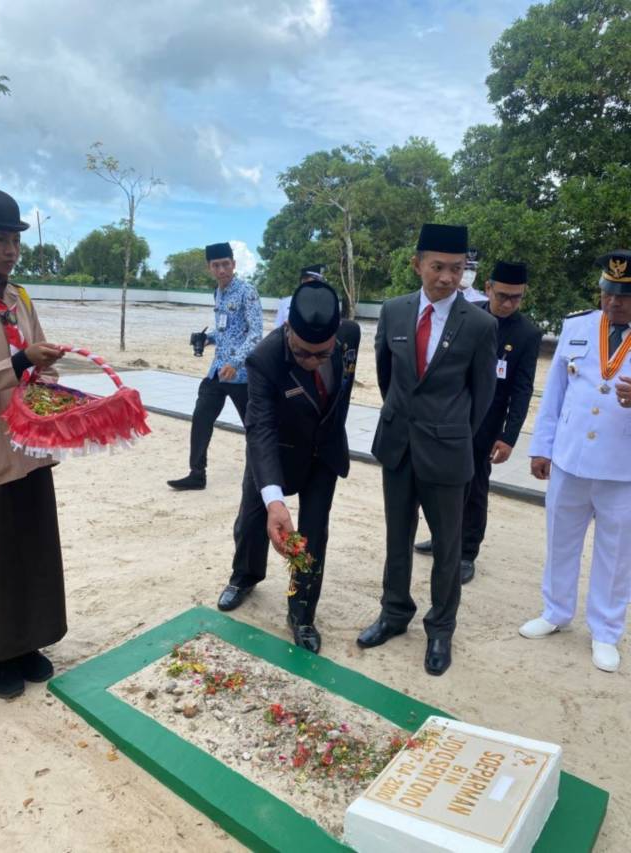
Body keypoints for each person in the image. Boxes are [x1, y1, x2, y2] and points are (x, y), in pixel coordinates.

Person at [357, 223, 497, 676]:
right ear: (417, 264)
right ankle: (394, 613)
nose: (448, 278)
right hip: (398, 445)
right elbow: (387, 377)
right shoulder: (394, 311)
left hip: (447, 451)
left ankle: (440, 629)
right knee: (397, 537)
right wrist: (407, 420)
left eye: (457, 269)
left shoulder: (480, 324)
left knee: (448, 547)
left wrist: (449, 431)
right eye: (438, 267)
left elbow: (482, 396)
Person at [216, 278, 360, 654]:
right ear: (288, 328)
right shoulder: (264, 359)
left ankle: (301, 612)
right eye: (301, 353)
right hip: (275, 451)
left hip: (324, 453)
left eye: (321, 354)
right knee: (252, 520)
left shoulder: (350, 336)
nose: (310, 361)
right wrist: (274, 499)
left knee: (313, 535)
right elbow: (260, 427)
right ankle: (245, 576)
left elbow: (341, 393)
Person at [520, 250, 631, 673]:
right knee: (560, 539)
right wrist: (542, 447)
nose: (613, 302)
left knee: (616, 554)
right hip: (570, 459)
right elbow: (555, 393)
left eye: (623, 296)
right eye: (607, 293)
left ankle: (605, 630)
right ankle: (555, 611)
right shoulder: (578, 326)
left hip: (622, 468)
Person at [414, 261, 542, 583]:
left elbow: (522, 389)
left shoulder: (527, 334)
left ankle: (467, 552)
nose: (508, 303)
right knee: (442, 483)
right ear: (488, 288)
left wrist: (509, 436)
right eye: (502, 296)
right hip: (453, 416)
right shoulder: (468, 315)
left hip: (487, 424)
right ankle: (442, 538)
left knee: (474, 489)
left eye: (516, 297)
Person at [0, 188, 66, 700]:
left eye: (15, 241)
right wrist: (19, 364)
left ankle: (27, 643)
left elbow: (39, 361)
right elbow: (17, 363)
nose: (10, 250)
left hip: (29, 447)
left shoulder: (20, 299)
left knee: (32, 545)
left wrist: (47, 379)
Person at [167, 242, 263, 490]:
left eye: (226, 264)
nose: (222, 270)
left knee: (254, 427)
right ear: (209, 267)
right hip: (217, 372)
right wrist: (207, 339)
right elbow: (225, 332)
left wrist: (235, 362)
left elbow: (255, 334)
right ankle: (197, 474)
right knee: (201, 418)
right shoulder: (217, 293)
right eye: (216, 265)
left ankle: (264, 475)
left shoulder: (247, 292)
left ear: (234, 264)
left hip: (241, 374)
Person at [274, 264, 326, 328]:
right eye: (315, 281)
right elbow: (278, 329)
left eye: (320, 282)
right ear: (303, 281)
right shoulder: (286, 303)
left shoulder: (325, 305)